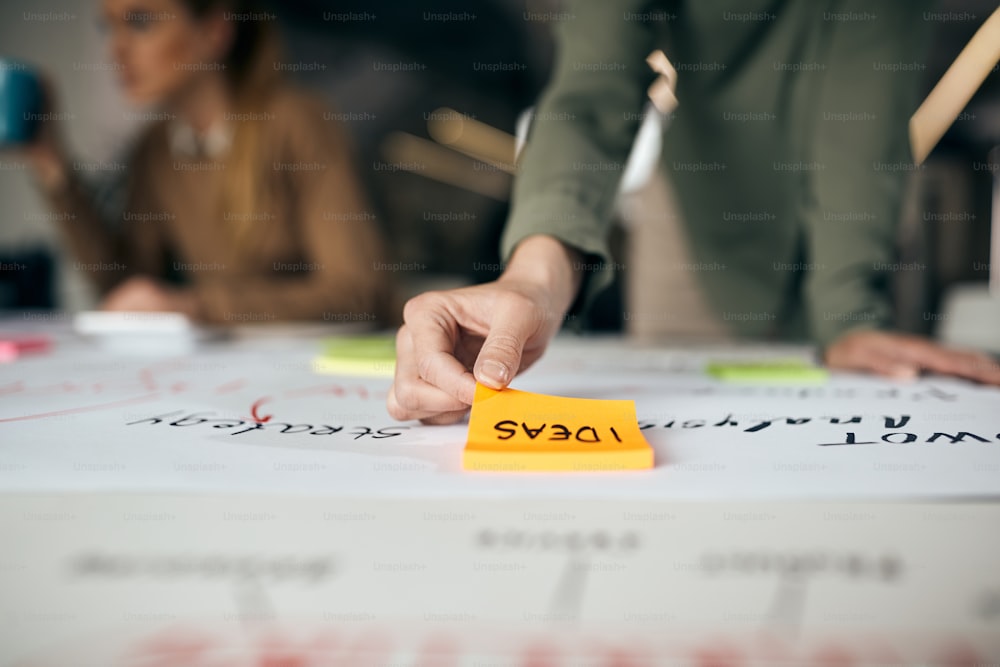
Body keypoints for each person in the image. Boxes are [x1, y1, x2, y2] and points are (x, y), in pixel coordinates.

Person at [388, 0, 1000, 424]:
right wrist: (534, 278)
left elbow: (860, 113)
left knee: (848, 393)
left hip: (854, 215)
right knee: (687, 415)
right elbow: (590, 98)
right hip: (695, 209)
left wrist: (847, 314)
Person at [19, 0, 392, 324]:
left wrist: (197, 306)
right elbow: (129, 288)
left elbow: (358, 292)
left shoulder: (297, 122)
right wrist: (51, 162)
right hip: (231, 370)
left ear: (214, 31)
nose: (116, 50)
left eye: (140, 22)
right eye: (109, 27)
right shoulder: (154, 149)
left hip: (319, 368)